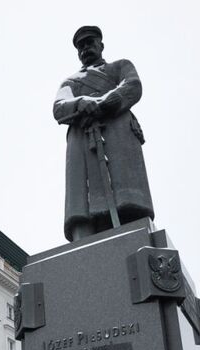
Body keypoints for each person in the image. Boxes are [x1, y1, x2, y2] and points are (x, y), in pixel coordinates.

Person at [54, 25, 154, 242]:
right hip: (84, 144)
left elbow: (133, 86)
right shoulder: (70, 82)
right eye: (80, 46)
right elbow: (59, 107)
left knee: (127, 200)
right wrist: (82, 103)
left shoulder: (120, 67)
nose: (85, 49)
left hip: (117, 136)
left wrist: (103, 104)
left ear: (101, 44)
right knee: (84, 205)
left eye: (89, 43)